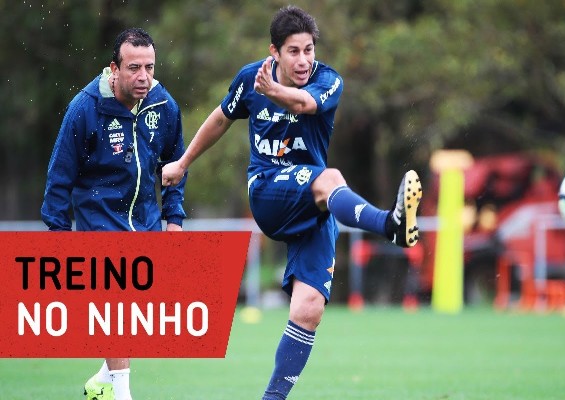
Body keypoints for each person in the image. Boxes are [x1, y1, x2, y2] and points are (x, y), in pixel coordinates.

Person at [162, 6, 422, 399]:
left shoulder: (329, 80)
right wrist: (182, 163)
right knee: (331, 177)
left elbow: (302, 104)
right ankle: (391, 226)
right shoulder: (251, 78)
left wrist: (274, 91)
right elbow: (219, 118)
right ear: (275, 52)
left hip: (314, 204)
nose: (304, 60)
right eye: (294, 51)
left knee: (309, 308)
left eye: (309, 50)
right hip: (268, 191)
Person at [41, 28, 187, 400]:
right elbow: (59, 177)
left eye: (150, 68)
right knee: (116, 307)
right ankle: (122, 394)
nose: (143, 77)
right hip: (98, 221)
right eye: (134, 67)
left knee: (144, 316)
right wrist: (59, 237)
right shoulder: (84, 109)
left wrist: (174, 220)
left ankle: (104, 379)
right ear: (114, 69)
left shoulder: (165, 107)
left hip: (147, 223)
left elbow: (174, 166)